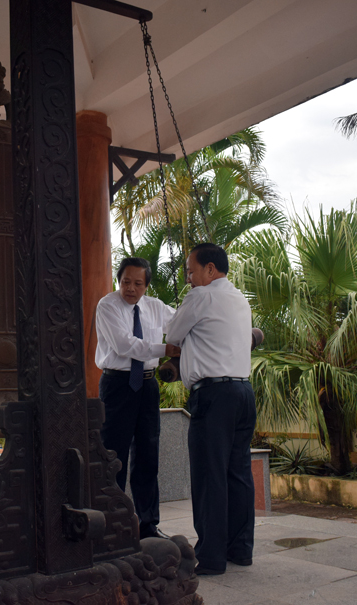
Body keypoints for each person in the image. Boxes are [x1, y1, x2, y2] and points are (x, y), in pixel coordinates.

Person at [166, 243, 256, 575]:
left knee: (209, 475)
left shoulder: (201, 296)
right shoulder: (239, 299)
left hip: (214, 396)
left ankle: (212, 557)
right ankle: (240, 550)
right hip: (244, 392)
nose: (188, 278)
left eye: (191, 271)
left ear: (210, 270)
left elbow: (173, 334)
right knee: (238, 474)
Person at [95, 257, 180, 539]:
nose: (130, 288)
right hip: (117, 385)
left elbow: (181, 322)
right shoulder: (107, 305)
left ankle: (147, 525)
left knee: (148, 454)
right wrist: (164, 347)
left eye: (138, 283)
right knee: (113, 454)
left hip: (147, 385)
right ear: (119, 280)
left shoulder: (155, 307)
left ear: (147, 285)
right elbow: (124, 345)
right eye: (125, 282)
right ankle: (112, 523)